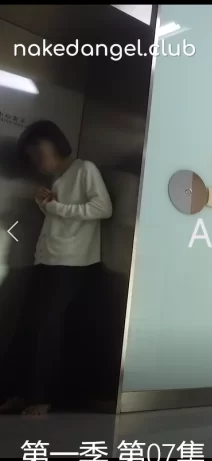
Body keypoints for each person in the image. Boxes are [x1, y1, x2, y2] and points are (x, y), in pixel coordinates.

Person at [0, 120, 113, 415]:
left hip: (72, 262)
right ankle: (18, 393)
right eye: (33, 156)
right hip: (48, 259)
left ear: (54, 143)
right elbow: (60, 217)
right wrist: (45, 205)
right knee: (29, 326)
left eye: (39, 152)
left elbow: (103, 208)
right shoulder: (59, 177)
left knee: (46, 330)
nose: (37, 161)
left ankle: (40, 398)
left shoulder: (85, 169)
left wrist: (56, 207)